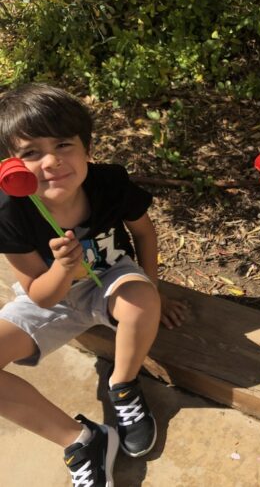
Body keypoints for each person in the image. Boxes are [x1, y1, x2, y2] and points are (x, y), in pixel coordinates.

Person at [0, 83, 187, 486]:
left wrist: (153, 292)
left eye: (63, 145)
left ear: (87, 148)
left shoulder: (109, 184)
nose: (51, 161)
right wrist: (63, 269)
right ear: (10, 166)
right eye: (30, 152)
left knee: (139, 299)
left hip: (111, 276)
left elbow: (144, 234)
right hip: (53, 294)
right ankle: (83, 440)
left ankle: (123, 383)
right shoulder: (8, 211)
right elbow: (40, 295)